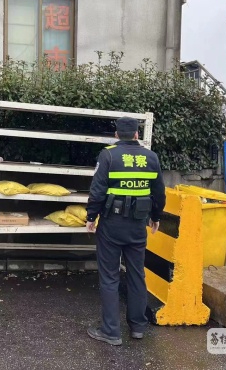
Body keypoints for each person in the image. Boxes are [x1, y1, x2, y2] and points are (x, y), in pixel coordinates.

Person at [85, 117, 166, 346]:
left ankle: (111, 331)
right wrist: (156, 217)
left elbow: (97, 190)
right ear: (137, 135)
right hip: (138, 225)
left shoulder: (108, 155)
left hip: (111, 225)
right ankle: (138, 326)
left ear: (116, 135)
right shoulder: (151, 157)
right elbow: (159, 193)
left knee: (109, 276)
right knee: (136, 274)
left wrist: (91, 217)